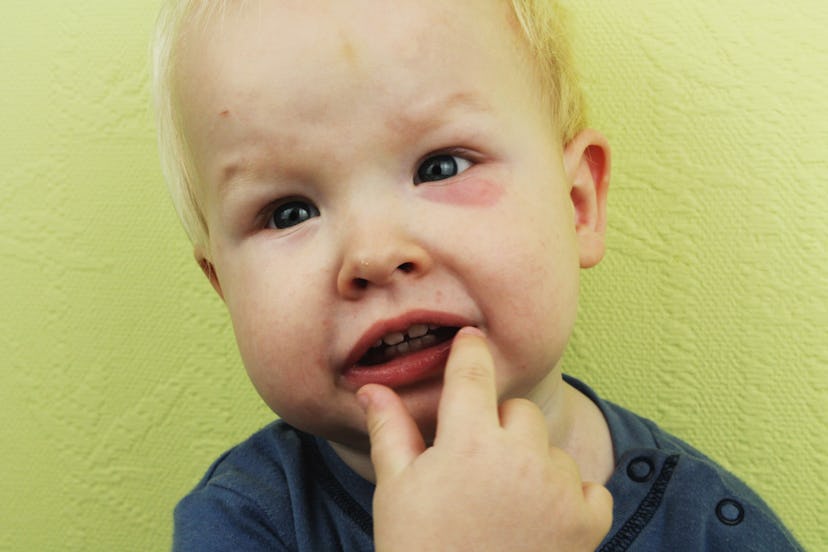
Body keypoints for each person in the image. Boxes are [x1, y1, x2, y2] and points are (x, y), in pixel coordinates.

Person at [152, 1, 803, 550]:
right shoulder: (242, 527)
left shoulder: (713, 530)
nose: (374, 253)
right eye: (289, 211)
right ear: (223, 288)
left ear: (576, 204)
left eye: (440, 167)